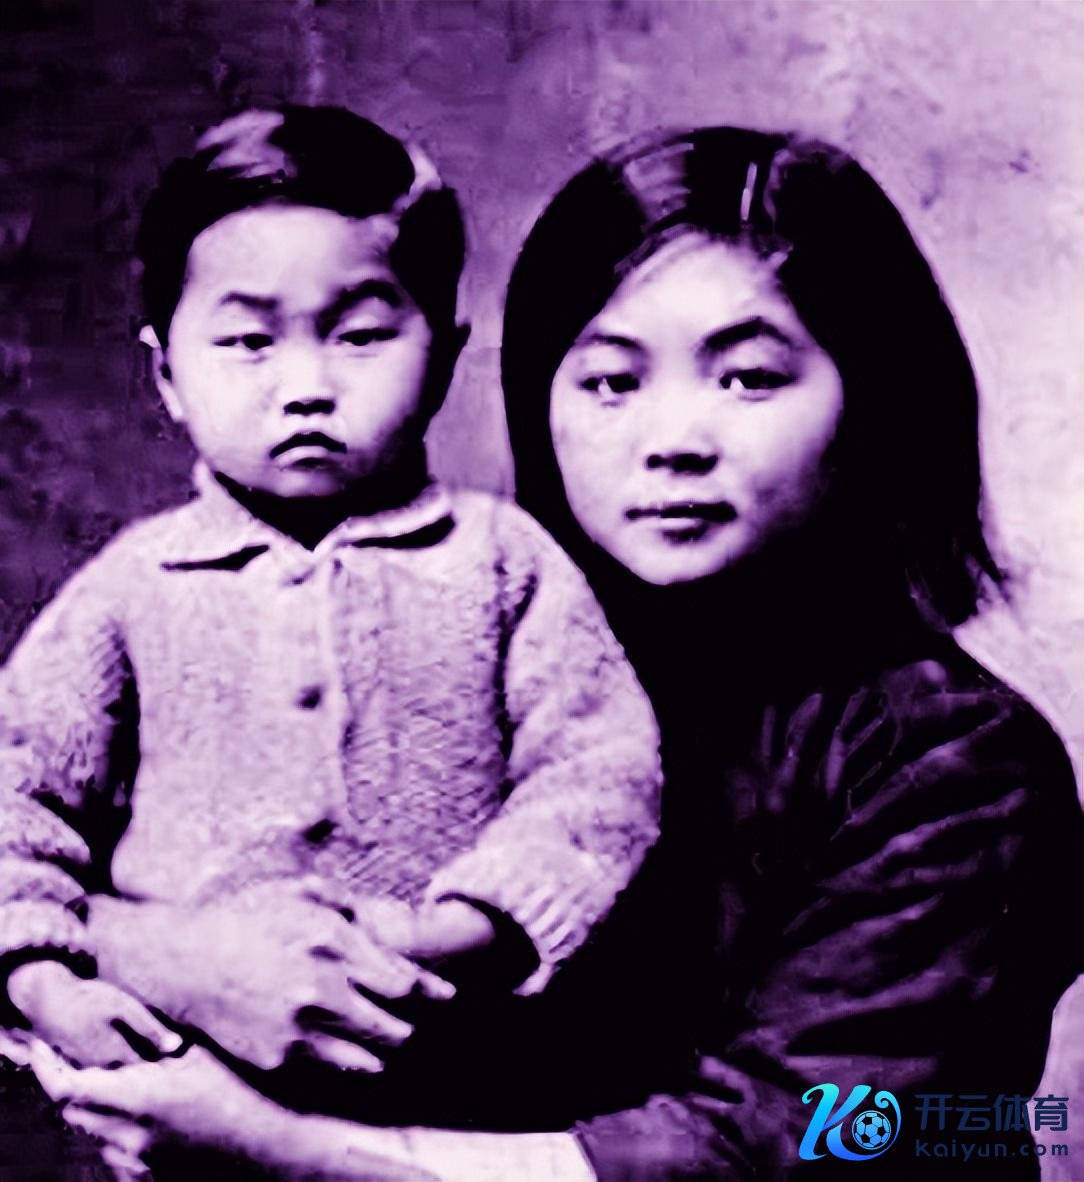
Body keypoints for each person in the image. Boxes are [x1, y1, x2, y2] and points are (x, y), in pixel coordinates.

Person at [32, 126, 1084, 1182]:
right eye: (610, 383)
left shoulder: (958, 764)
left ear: (877, 396)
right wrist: (178, 957)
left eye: (749, 379)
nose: (674, 441)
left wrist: (289, 1152)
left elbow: (799, 1139)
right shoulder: (478, 649)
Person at [0, 105, 660, 1177]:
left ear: (443, 356)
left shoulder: (503, 561)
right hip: (182, 1105)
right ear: (167, 375)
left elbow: (597, 775)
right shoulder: (131, 586)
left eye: (359, 334)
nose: (305, 386)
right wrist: (43, 979)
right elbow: (13, 795)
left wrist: (461, 928)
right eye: (247, 342)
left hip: (464, 1094)